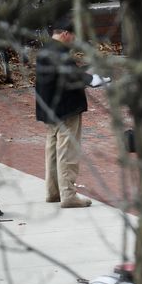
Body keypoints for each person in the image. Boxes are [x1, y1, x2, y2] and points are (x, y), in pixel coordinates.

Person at [35, 15, 108, 208]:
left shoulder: (47, 50)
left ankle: (53, 191)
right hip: (65, 109)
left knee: (52, 150)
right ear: (66, 34)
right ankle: (68, 194)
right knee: (67, 151)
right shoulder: (60, 52)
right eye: (74, 36)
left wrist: (85, 73)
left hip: (49, 109)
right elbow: (69, 76)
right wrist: (92, 80)